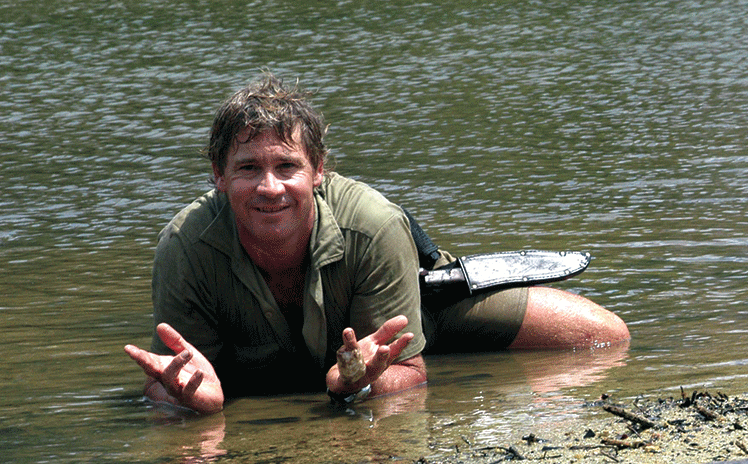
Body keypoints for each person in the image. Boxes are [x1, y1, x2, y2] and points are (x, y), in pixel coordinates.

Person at [124, 72, 629, 415]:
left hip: (407, 316)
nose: (270, 188)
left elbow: (407, 372)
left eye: (287, 167)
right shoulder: (185, 245)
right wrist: (188, 406)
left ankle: (447, 338)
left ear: (319, 170)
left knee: (604, 336)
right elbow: (174, 377)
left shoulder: (374, 224)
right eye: (248, 168)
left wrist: (361, 384)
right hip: (295, 356)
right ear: (218, 176)